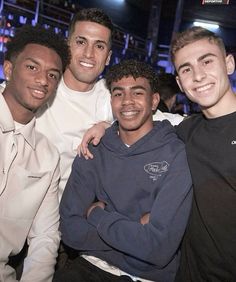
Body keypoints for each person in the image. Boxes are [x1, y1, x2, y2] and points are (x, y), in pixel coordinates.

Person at [53, 59, 193, 282]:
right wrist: (136, 234)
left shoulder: (177, 154)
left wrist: (96, 214)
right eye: (118, 94)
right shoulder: (95, 148)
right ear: (111, 101)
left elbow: (158, 247)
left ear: (154, 100)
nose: (127, 101)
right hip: (92, 264)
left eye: (137, 93)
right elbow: (70, 227)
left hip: (149, 276)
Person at [0, 25, 70, 281]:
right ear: (9, 69)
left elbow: (45, 236)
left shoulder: (47, 156)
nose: (43, 80)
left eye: (53, 75)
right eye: (32, 67)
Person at [170, 26, 236, 281]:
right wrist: (108, 125)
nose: (198, 75)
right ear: (179, 82)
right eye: (186, 69)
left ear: (228, 64)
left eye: (206, 61)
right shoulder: (187, 129)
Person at [36, 8, 114, 200]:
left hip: (77, 221)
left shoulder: (115, 97)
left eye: (99, 46)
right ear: (67, 45)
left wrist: (112, 128)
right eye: (81, 42)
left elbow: (164, 121)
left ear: (108, 57)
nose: (88, 54)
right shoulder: (41, 87)